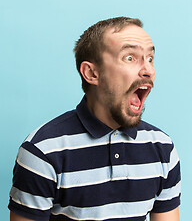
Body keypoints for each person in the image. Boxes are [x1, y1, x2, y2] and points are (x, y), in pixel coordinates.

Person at [9, 17, 181, 221]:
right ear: (91, 73)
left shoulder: (163, 148)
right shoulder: (43, 151)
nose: (148, 70)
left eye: (150, 58)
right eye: (130, 58)